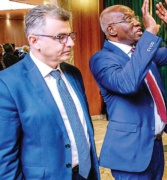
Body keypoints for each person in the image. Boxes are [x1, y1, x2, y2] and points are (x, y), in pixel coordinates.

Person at [89, 0, 167, 179]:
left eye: (135, 17)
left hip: (155, 145)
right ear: (111, 30)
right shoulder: (102, 59)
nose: (137, 22)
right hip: (130, 152)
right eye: (128, 19)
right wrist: (149, 34)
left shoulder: (141, 53)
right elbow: (127, 84)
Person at [0, 4, 100, 179]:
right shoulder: (8, 83)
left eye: (70, 35)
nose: (71, 43)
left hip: (86, 173)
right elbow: (5, 156)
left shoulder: (73, 73)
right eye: (60, 37)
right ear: (34, 41)